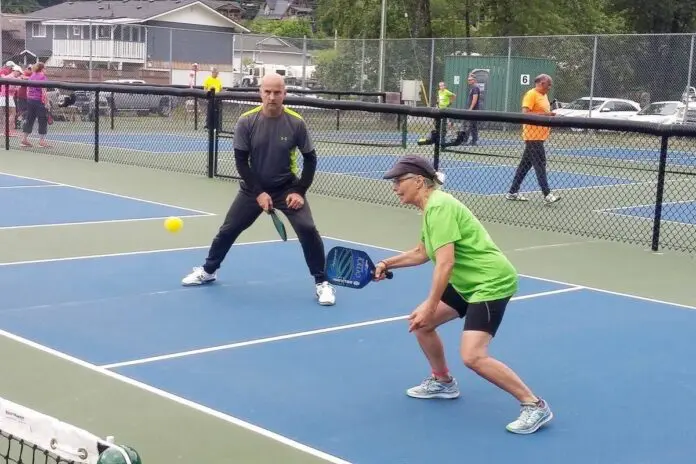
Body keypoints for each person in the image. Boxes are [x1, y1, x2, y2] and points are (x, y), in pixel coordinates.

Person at [376, 154, 553, 435]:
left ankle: (534, 405)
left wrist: (431, 304)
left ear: (419, 181)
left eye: (399, 181)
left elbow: (445, 263)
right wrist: (386, 263)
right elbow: (423, 253)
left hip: (490, 281)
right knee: (422, 324)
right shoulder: (431, 208)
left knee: (472, 356)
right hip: (467, 282)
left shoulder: (440, 207)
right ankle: (443, 382)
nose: (394, 187)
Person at [181, 73, 336, 306]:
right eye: (267, 92)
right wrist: (259, 193)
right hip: (252, 189)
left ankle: (322, 283)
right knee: (229, 230)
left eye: (277, 92)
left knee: (307, 229)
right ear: (260, 93)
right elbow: (241, 162)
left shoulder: (296, 123)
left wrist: (299, 191)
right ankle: (209, 270)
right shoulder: (246, 121)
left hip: (286, 189)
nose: (272, 97)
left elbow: (310, 160)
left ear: (284, 94)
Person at [506, 74, 560, 204]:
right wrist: (546, 114)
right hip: (532, 137)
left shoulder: (544, 96)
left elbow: (543, 113)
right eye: (548, 84)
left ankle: (512, 192)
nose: (549, 87)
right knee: (540, 164)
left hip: (540, 137)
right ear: (541, 83)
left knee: (524, 166)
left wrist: (549, 116)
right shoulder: (531, 94)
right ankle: (547, 194)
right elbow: (525, 113)